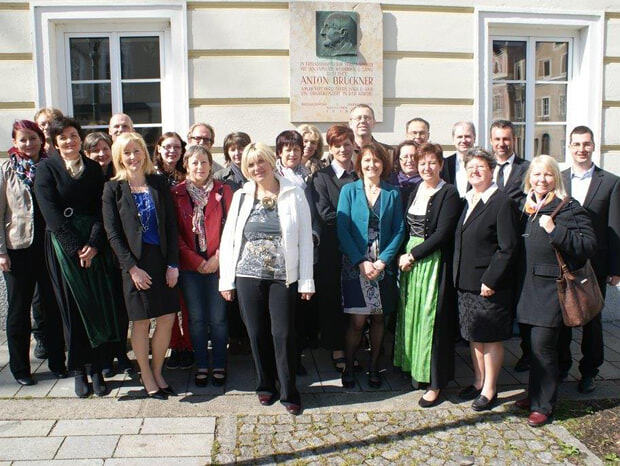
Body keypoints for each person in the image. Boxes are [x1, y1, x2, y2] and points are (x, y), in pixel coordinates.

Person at [219, 142, 314, 415]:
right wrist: (226, 280)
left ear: (271, 162)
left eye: (261, 162)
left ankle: (288, 390)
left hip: (283, 276)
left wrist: (306, 280)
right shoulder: (241, 196)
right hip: (247, 274)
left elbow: (305, 240)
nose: (257, 168)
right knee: (256, 332)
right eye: (250, 165)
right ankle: (265, 385)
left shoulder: (294, 193)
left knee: (282, 334)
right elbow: (229, 240)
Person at [34, 117, 122, 397]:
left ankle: (97, 368)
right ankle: (79, 370)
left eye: (73, 136)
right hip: (62, 246)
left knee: (95, 306)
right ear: (54, 142)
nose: (69, 141)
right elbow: (51, 214)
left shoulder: (95, 169)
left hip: (92, 245)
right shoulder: (46, 169)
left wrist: (93, 245)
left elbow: (101, 209)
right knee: (72, 310)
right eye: (63, 138)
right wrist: (75, 249)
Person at [515, 155, 596, 427]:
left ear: (556, 178)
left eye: (547, 175)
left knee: (543, 349)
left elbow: (587, 246)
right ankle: (534, 394)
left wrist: (555, 229)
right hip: (527, 288)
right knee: (530, 347)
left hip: (552, 290)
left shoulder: (568, 207)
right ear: (529, 179)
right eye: (536, 175)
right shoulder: (527, 207)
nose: (541, 180)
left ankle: (544, 406)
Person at [102, 132, 180, 400]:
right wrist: (132, 269)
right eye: (127, 153)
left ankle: (158, 371)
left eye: (137, 151)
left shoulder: (157, 183)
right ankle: (145, 375)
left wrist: (173, 264)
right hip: (134, 264)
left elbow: (171, 225)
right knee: (141, 322)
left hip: (161, 260)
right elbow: (112, 233)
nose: (133, 157)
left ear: (145, 154)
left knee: (168, 318)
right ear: (119, 157)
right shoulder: (112, 189)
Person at [394, 142, 461, 407]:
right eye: (422, 162)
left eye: (432, 162)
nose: (426, 167)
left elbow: (442, 234)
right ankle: (416, 371)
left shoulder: (449, 193)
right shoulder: (414, 190)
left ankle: (435, 383)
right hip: (410, 262)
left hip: (432, 262)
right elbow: (406, 228)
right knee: (412, 316)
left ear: (441, 164)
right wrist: (402, 255)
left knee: (432, 320)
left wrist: (413, 255)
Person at [453, 147, 519, 411]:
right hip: (467, 282)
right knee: (474, 335)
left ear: (491, 170)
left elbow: (508, 247)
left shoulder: (502, 202)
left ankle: (490, 389)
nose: (475, 171)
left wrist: (491, 280)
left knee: (490, 338)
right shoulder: (467, 200)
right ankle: (478, 381)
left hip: (489, 286)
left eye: (480, 167)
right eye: (470, 168)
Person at [1, 120, 66, 386]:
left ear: (41, 139)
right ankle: (20, 368)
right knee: (18, 309)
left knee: (52, 306)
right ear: (15, 143)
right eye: (22, 139)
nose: (28, 144)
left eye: (33, 138)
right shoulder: (7, 171)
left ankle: (57, 362)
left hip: (49, 247)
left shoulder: (52, 167)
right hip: (18, 249)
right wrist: (1, 252)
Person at [556, 126, 620, 393]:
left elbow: (615, 228)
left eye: (586, 144)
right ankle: (561, 366)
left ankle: (590, 370)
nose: (581, 149)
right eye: (576, 144)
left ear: (593, 146)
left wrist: (616, 268)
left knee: (591, 319)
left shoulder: (611, 181)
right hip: (562, 262)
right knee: (561, 319)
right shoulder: (558, 179)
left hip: (594, 264)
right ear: (569, 147)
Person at [337, 143, 405, 389]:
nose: (371, 165)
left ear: (383, 164)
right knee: (357, 321)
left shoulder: (393, 193)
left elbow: (399, 229)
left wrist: (383, 260)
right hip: (355, 265)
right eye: (366, 160)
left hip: (382, 266)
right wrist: (360, 261)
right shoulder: (349, 191)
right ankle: (350, 365)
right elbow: (342, 229)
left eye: (376, 160)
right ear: (359, 164)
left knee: (379, 319)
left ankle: (375, 366)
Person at [172, 145, 232, 387]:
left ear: (211, 165)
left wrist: (217, 257)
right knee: (196, 319)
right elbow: (173, 234)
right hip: (190, 268)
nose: (199, 167)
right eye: (194, 162)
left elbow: (231, 227)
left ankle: (219, 362)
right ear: (186, 164)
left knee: (218, 318)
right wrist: (196, 261)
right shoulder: (175, 193)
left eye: (204, 162)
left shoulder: (223, 191)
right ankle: (201, 363)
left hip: (219, 264)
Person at [82, 132, 133, 377]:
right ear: (86, 153)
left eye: (105, 148)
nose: (101, 154)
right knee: (101, 307)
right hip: (95, 250)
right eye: (95, 150)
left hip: (118, 251)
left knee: (121, 306)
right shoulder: (86, 176)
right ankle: (104, 357)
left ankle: (121, 352)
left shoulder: (118, 176)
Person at [310, 125, 357, 372]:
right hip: (332, 249)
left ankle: (355, 346)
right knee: (333, 300)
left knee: (356, 299)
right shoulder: (321, 177)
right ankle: (337, 347)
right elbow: (324, 213)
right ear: (330, 148)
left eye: (347, 144)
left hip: (361, 249)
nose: (343, 149)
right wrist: (356, 222)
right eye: (337, 145)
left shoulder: (361, 173)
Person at [151, 131, 192, 370]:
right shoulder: (150, 175)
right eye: (167, 147)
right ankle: (175, 345)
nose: (172, 151)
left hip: (185, 243)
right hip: (160, 245)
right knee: (168, 301)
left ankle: (187, 345)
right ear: (158, 148)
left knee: (185, 302)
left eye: (177, 147)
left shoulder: (185, 175)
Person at [214, 131, 251, 355]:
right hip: (228, 236)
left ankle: (249, 335)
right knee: (231, 289)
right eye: (233, 148)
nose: (237, 152)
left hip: (251, 239)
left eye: (241, 147)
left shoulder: (256, 171)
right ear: (227, 151)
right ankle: (235, 337)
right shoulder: (220, 177)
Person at [490, 120, 529, 204]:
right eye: (497, 139)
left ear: (514, 140)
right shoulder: (484, 167)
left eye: (506, 139)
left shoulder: (527, 168)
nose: (501, 144)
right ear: (491, 141)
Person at [441, 121, 476, 197]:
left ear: (474, 138)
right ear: (453, 140)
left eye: (467, 136)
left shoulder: (483, 164)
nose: (463, 140)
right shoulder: (445, 164)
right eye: (459, 137)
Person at [389, 140, 421, 205]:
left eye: (413, 156)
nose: (409, 160)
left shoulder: (427, 183)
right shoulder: (391, 181)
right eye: (405, 157)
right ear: (398, 160)